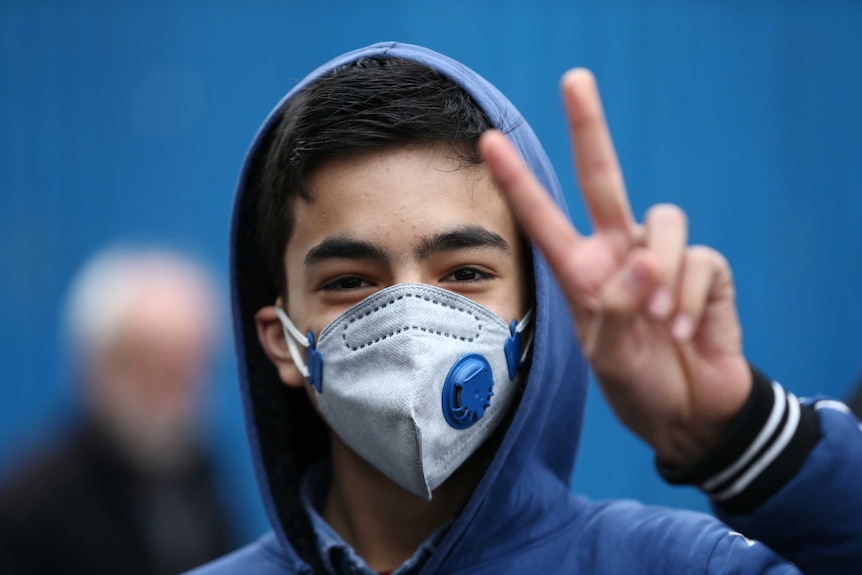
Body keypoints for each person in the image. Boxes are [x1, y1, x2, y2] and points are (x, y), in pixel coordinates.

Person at [189, 43, 862, 574]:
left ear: (540, 311)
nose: (409, 315)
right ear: (281, 341)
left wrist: (741, 437)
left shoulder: (685, 564)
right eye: (349, 282)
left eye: (467, 272)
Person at [0, 248, 237, 575]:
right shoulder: (31, 504)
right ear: (97, 364)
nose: (173, 385)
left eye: (190, 362)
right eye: (149, 362)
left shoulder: (201, 477)